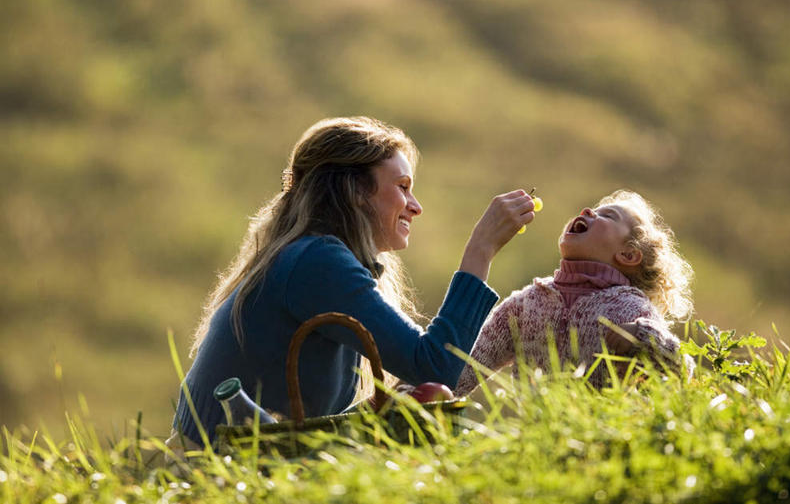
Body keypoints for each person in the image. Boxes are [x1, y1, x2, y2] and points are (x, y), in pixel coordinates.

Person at [171, 116, 536, 447]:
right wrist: (481, 248)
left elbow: (309, 425)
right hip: (215, 463)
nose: (415, 205)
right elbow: (436, 365)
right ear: (356, 192)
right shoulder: (317, 261)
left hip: (230, 457)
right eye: (403, 186)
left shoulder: (311, 256)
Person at [454, 190, 694, 396]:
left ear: (628, 255)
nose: (588, 211)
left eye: (607, 216)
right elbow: (463, 372)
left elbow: (683, 370)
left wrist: (643, 337)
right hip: (538, 443)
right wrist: (423, 392)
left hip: (605, 442)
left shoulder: (631, 309)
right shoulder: (526, 304)